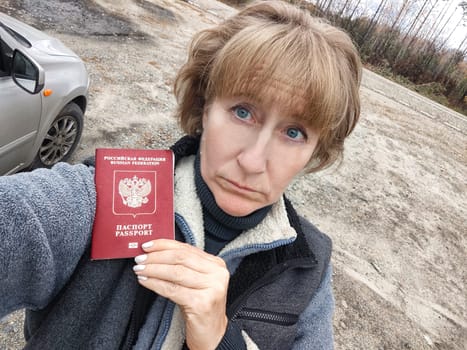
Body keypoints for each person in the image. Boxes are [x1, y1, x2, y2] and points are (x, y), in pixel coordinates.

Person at [0, 1, 361, 349]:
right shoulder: (105, 191)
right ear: (205, 108)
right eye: (242, 112)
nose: (253, 162)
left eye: (294, 132)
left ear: (315, 151)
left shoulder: (308, 267)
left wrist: (223, 341)